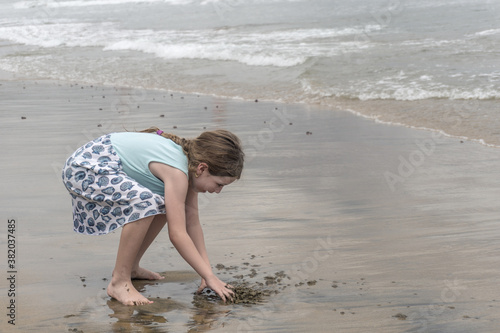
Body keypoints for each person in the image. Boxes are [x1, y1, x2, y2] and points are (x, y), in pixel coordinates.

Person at [61, 127, 244, 306]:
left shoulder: (189, 170)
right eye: (219, 184)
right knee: (145, 202)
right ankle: (119, 282)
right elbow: (178, 235)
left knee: (166, 205)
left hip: (98, 164)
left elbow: (192, 224)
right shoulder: (178, 173)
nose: (218, 191)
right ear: (202, 168)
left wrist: (207, 274)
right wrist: (210, 277)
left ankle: (131, 268)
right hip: (85, 168)